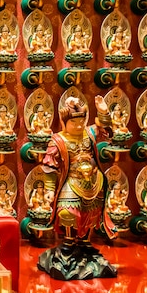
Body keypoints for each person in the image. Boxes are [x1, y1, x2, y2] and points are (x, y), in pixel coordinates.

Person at [37, 96, 117, 279]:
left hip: (93, 182)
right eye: (74, 122)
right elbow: (49, 166)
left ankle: (85, 242)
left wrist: (103, 111)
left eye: (82, 121)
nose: (79, 125)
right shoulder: (57, 140)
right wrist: (49, 189)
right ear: (64, 122)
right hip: (72, 181)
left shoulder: (89, 134)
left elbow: (107, 131)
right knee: (67, 212)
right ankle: (69, 242)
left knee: (93, 212)